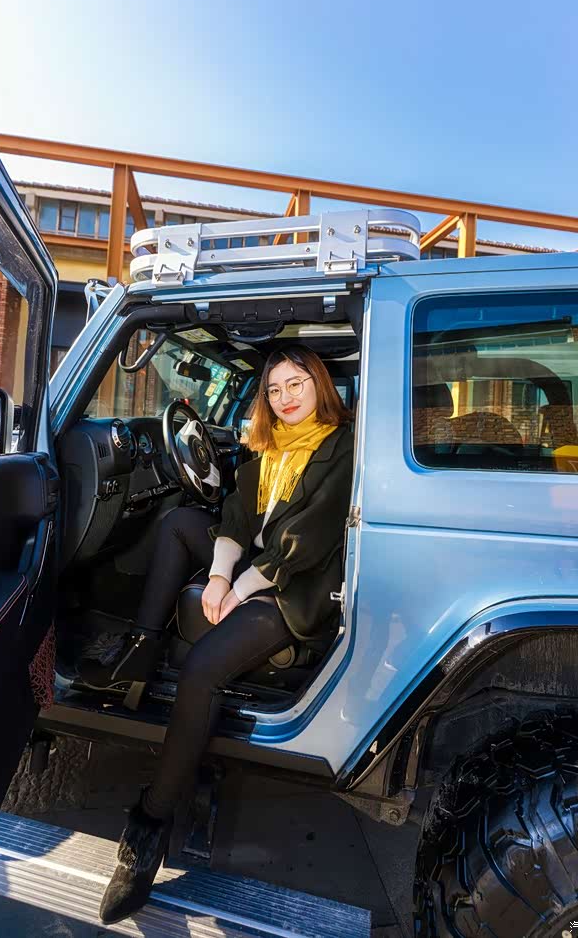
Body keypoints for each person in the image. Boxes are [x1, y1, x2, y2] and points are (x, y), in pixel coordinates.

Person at [87, 344, 354, 924]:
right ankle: (141, 651)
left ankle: (149, 828)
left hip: (295, 587)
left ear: (319, 384)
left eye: (296, 384)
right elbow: (236, 515)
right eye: (274, 389)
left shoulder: (340, 445)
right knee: (180, 522)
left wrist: (238, 588)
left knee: (202, 669)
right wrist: (217, 574)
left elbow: (304, 542)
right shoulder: (266, 443)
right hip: (261, 565)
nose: (284, 398)